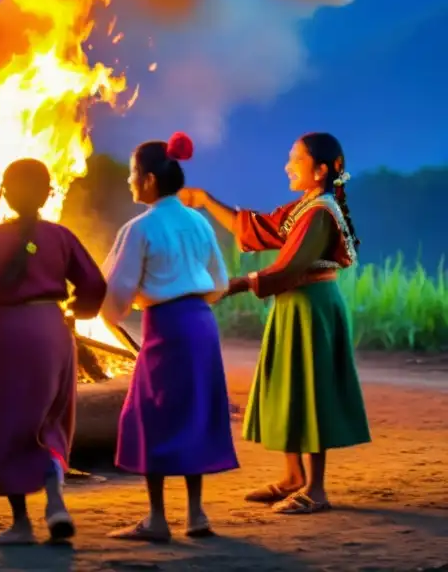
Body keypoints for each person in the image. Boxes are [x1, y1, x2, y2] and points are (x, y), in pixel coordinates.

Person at [179, 132, 369, 516]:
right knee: (290, 383)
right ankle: (293, 477)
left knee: (313, 390)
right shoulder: (306, 208)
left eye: (295, 160)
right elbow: (256, 228)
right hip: (294, 305)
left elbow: (290, 267)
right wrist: (203, 201)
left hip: (312, 307)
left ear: (319, 170)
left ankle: (316, 489)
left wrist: (234, 285)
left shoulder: (320, 213)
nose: (287, 166)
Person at [0, 158, 106, 545]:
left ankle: (20, 524)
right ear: (48, 193)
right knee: (49, 417)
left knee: (6, 424)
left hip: (7, 334)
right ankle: (55, 500)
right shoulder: (61, 237)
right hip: (51, 331)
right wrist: (72, 312)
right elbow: (94, 285)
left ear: (6, 193)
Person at [100, 133, 238, 543]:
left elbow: (117, 290)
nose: (129, 182)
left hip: (166, 326)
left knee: (150, 413)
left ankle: (157, 518)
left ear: (147, 180)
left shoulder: (139, 228)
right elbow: (219, 282)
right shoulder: (198, 221)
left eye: (131, 175)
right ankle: (196, 514)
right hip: (201, 323)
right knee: (193, 410)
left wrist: (110, 314)